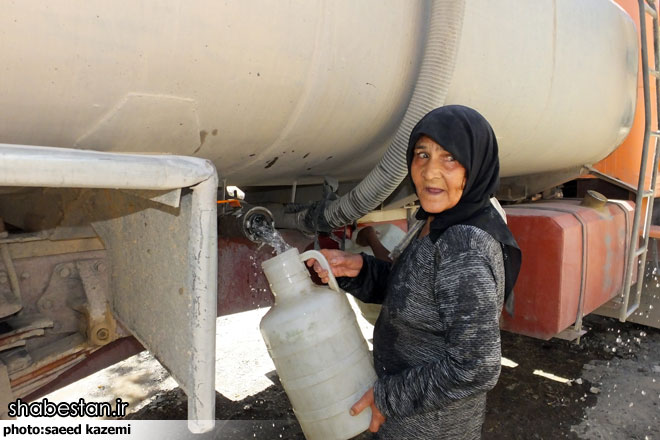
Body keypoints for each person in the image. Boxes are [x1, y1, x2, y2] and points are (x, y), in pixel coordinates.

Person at [306, 105, 521, 439]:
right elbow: (416, 292)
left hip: (431, 428)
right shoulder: (432, 220)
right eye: (422, 155)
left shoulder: (463, 244)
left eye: (449, 158)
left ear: (475, 166)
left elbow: (476, 366)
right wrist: (361, 270)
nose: (429, 172)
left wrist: (387, 397)